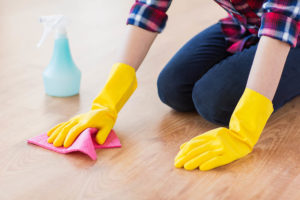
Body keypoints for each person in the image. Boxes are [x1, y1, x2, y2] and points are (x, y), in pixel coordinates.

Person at [46, 0, 300, 171]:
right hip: (246, 23)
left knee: (215, 101)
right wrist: (107, 102)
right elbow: (149, 7)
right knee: (173, 88)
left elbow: (281, 21)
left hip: (292, 31)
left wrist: (245, 127)